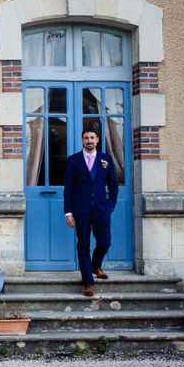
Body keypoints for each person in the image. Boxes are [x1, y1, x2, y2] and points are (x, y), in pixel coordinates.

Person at [63, 127, 118, 297]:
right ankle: (88, 282)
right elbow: (68, 188)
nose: (89, 141)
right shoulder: (73, 161)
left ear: (98, 140)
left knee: (105, 242)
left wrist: (110, 204)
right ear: (82, 140)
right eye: (86, 138)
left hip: (101, 209)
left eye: (92, 138)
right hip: (81, 210)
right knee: (83, 245)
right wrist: (68, 212)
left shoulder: (106, 159)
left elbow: (113, 185)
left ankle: (96, 265)